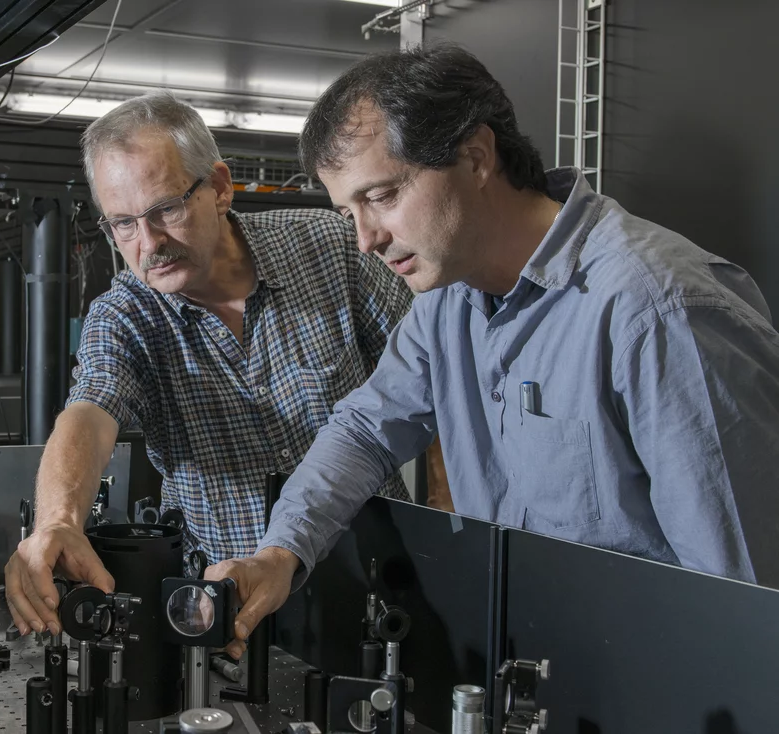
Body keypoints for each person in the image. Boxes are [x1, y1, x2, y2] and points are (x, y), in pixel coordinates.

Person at [207, 43, 779, 660]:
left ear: (475, 156)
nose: (365, 239)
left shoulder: (658, 310)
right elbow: (365, 430)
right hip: (535, 675)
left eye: (381, 196)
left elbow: (741, 600)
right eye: (349, 211)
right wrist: (280, 553)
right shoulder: (446, 305)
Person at [4, 91, 413, 637]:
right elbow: (90, 409)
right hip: (234, 606)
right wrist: (56, 522)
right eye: (122, 224)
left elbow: (435, 373)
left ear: (220, 187)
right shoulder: (125, 316)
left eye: (165, 210)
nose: (148, 244)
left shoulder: (331, 247)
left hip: (381, 586)